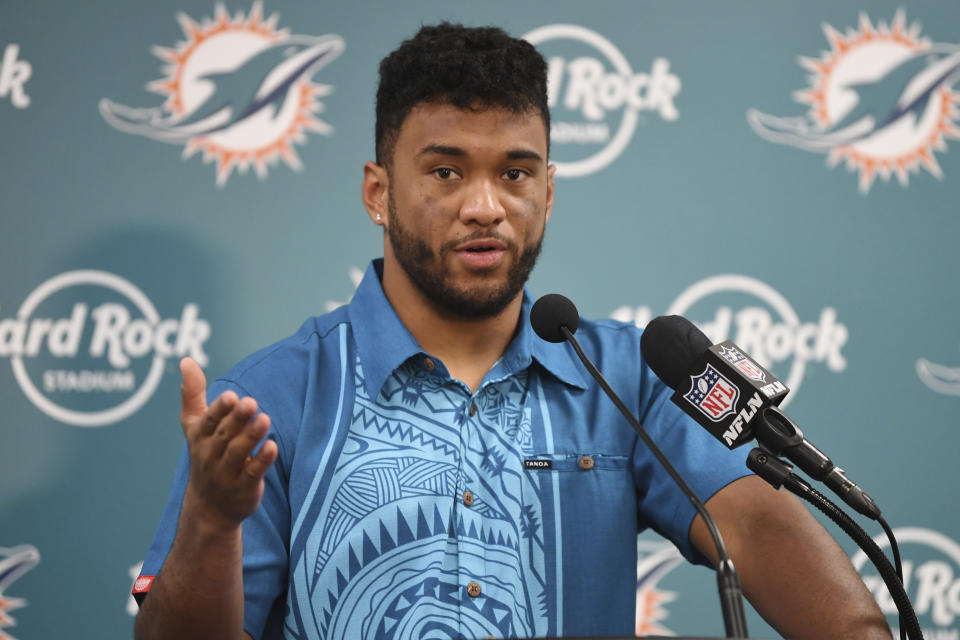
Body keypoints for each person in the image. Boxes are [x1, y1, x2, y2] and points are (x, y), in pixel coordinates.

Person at [132, 23, 892, 640]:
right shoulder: (273, 396)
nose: (486, 206)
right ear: (377, 191)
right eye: (446, 172)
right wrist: (211, 519)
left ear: (549, 192)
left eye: (517, 173)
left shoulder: (625, 377)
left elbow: (756, 527)